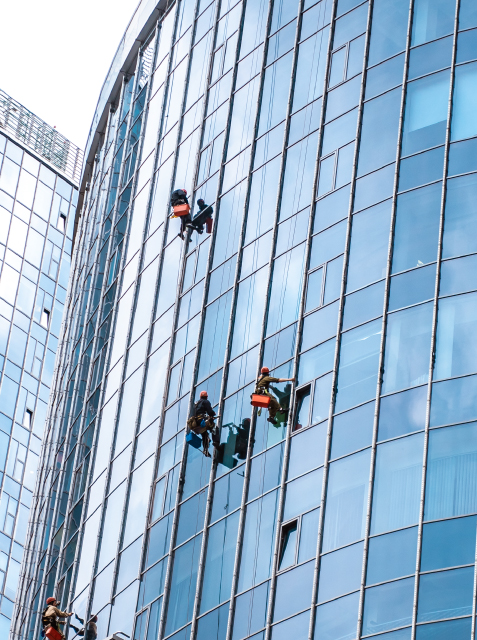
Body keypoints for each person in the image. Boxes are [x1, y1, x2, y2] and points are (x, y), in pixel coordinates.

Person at [188, 391, 216, 457]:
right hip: (201, 420)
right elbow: (209, 411)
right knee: (213, 426)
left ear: (200, 397)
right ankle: (216, 441)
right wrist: (213, 413)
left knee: (204, 434)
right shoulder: (205, 402)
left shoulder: (195, 404)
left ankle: (205, 448)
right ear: (206, 397)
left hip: (194, 423)